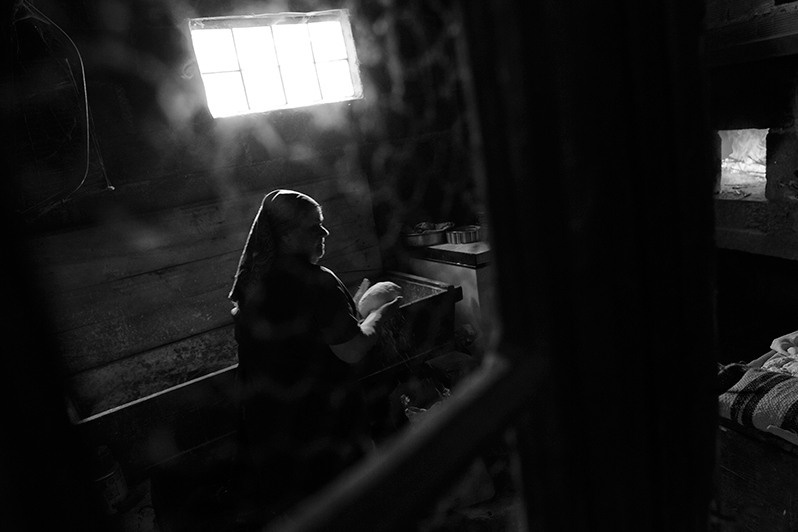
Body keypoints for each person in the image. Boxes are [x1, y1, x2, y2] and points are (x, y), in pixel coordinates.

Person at [227, 189, 401, 526]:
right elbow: (351, 349)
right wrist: (382, 314)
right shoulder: (317, 281)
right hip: (320, 426)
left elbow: (305, 334)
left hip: (272, 430)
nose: (325, 234)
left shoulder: (254, 283)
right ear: (286, 234)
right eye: (314, 228)